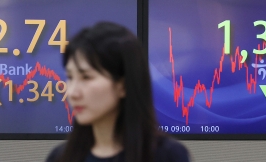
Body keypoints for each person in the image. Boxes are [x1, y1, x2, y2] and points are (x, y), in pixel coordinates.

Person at [46, 21, 190, 162]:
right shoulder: (60, 157)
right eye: (70, 77)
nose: (71, 93)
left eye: (86, 77)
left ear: (123, 85)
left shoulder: (167, 156)